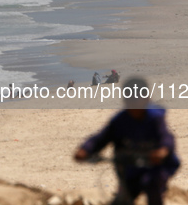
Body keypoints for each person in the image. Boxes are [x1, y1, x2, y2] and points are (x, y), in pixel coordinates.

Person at [74, 77, 180, 205]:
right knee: (125, 195)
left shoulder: (154, 118)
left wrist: (162, 151)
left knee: (152, 185)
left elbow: (166, 137)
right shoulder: (121, 120)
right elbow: (102, 138)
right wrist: (85, 149)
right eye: (130, 100)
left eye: (137, 100)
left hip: (155, 166)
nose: (134, 105)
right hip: (130, 166)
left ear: (146, 98)